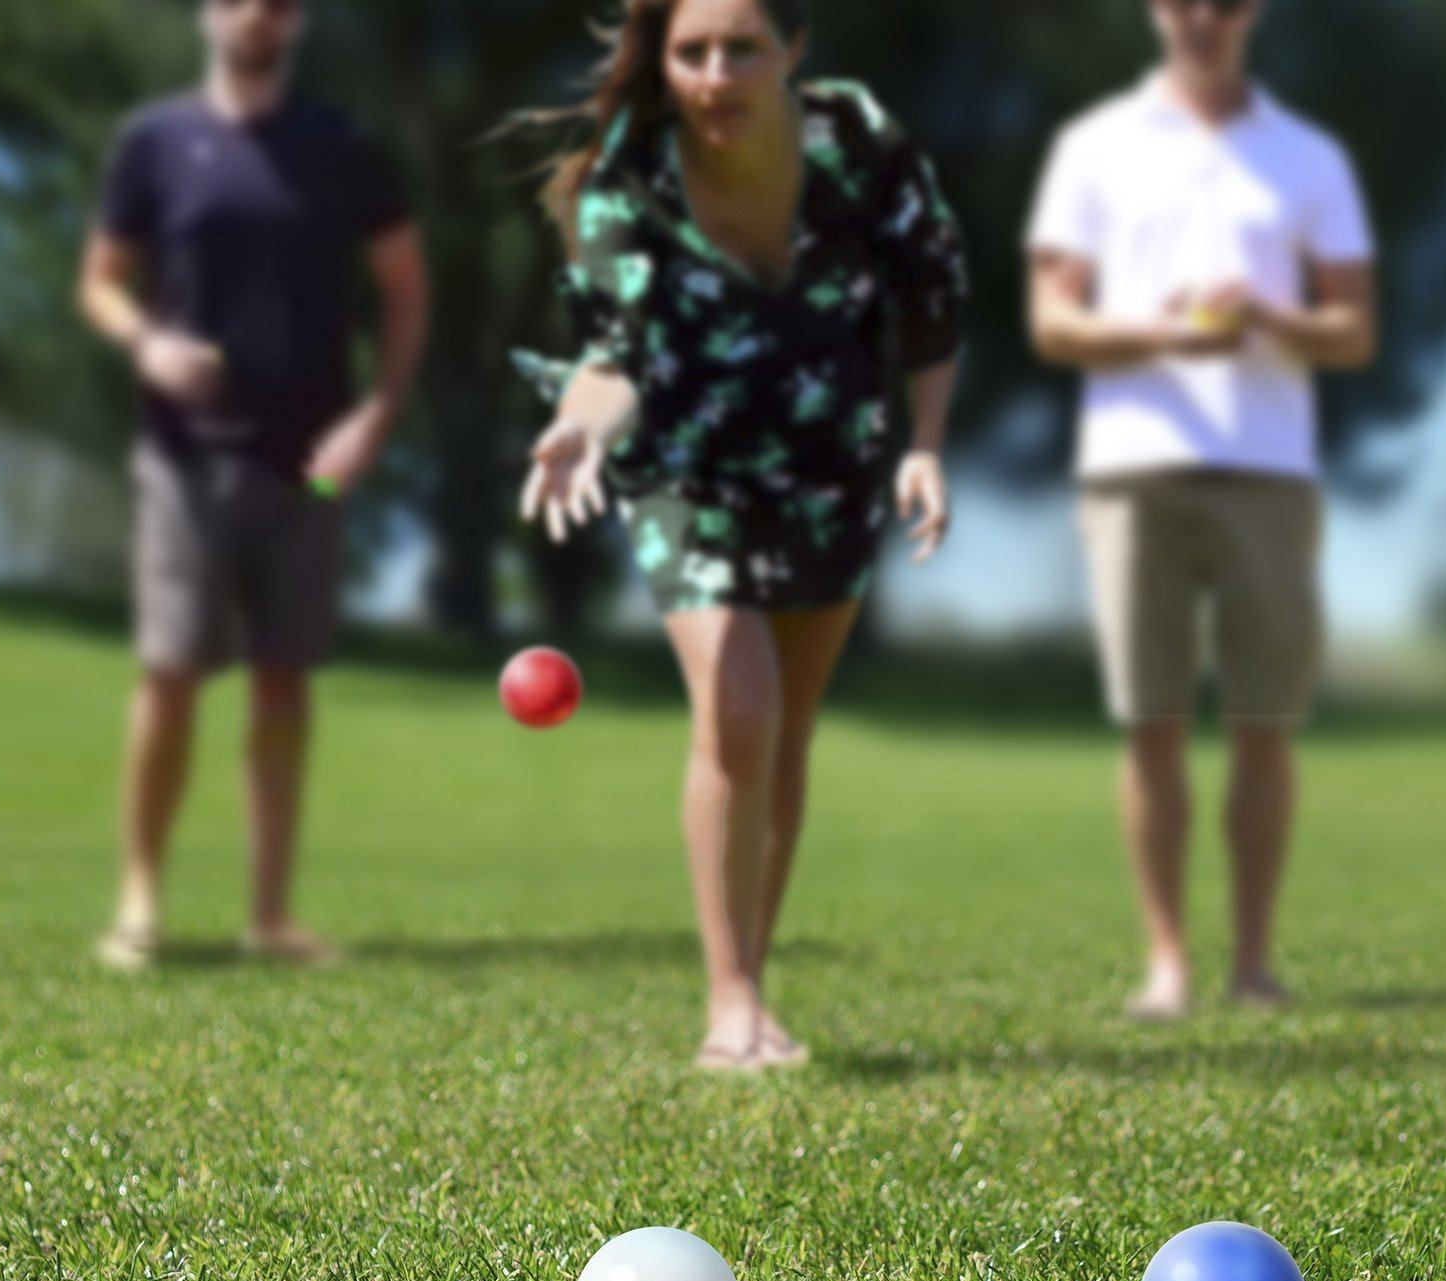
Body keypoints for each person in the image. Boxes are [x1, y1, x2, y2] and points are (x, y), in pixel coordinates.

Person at [517, 0, 967, 1073]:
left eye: (742, 48)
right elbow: (616, 354)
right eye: (691, 52)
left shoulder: (857, 140)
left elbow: (932, 299)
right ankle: (729, 1005)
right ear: (661, 63)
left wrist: (927, 444)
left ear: (793, 49)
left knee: (788, 734)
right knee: (742, 715)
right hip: (686, 469)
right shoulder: (631, 183)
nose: (716, 74)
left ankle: (755, 987)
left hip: (832, 462)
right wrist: (578, 432)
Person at [1026, 0, 1376, 1021]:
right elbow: (1052, 320)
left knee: (1265, 724)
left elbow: (1353, 330)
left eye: (1225, 2)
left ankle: (1255, 962)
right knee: (1153, 724)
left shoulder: (1310, 156)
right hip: (1133, 467)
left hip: (1268, 467)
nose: (1204, 18)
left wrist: (1268, 315)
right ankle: (1169, 964)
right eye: (1185, 0)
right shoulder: (1092, 146)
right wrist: (1162, 334)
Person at [79, 0, 428, 970]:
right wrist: (146, 341)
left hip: (313, 467)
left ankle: (270, 916)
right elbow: (102, 279)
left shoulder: (342, 146)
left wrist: (376, 416)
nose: (258, 14)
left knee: (285, 680)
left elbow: (404, 290)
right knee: (171, 672)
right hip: (185, 457)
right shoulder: (154, 142)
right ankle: (139, 903)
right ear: (209, 12)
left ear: (300, 19)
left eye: (278, 1)